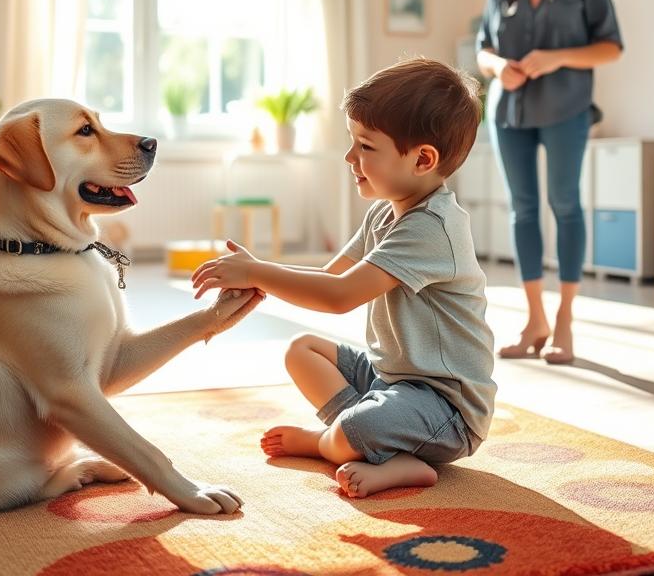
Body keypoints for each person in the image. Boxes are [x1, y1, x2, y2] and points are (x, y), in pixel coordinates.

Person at [191, 58, 495, 499]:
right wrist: (259, 276)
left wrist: (258, 271)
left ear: (422, 159)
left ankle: (334, 442)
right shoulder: (382, 212)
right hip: (392, 380)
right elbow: (328, 275)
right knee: (302, 350)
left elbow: (338, 296)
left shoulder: (433, 227)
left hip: (445, 408)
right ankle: (373, 447)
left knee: (355, 427)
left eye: (366, 146)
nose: (350, 157)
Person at [476, 0, 622, 365]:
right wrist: (499, 68)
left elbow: (610, 46)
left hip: (566, 109)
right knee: (522, 210)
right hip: (509, 113)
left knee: (565, 204)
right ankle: (535, 318)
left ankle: (564, 321)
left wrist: (555, 58)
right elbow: (483, 50)